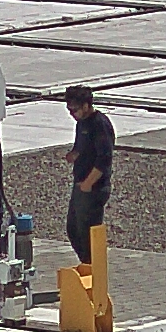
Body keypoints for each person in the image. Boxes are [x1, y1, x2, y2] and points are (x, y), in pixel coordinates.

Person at [62, 85, 114, 266]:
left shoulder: (99, 124)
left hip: (93, 188)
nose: (72, 114)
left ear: (86, 105)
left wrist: (88, 183)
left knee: (87, 232)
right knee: (73, 228)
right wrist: (74, 155)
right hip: (80, 184)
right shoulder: (81, 124)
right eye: (69, 110)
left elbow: (104, 159)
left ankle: (92, 266)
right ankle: (86, 263)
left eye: (74, 110)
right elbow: (81, 147)